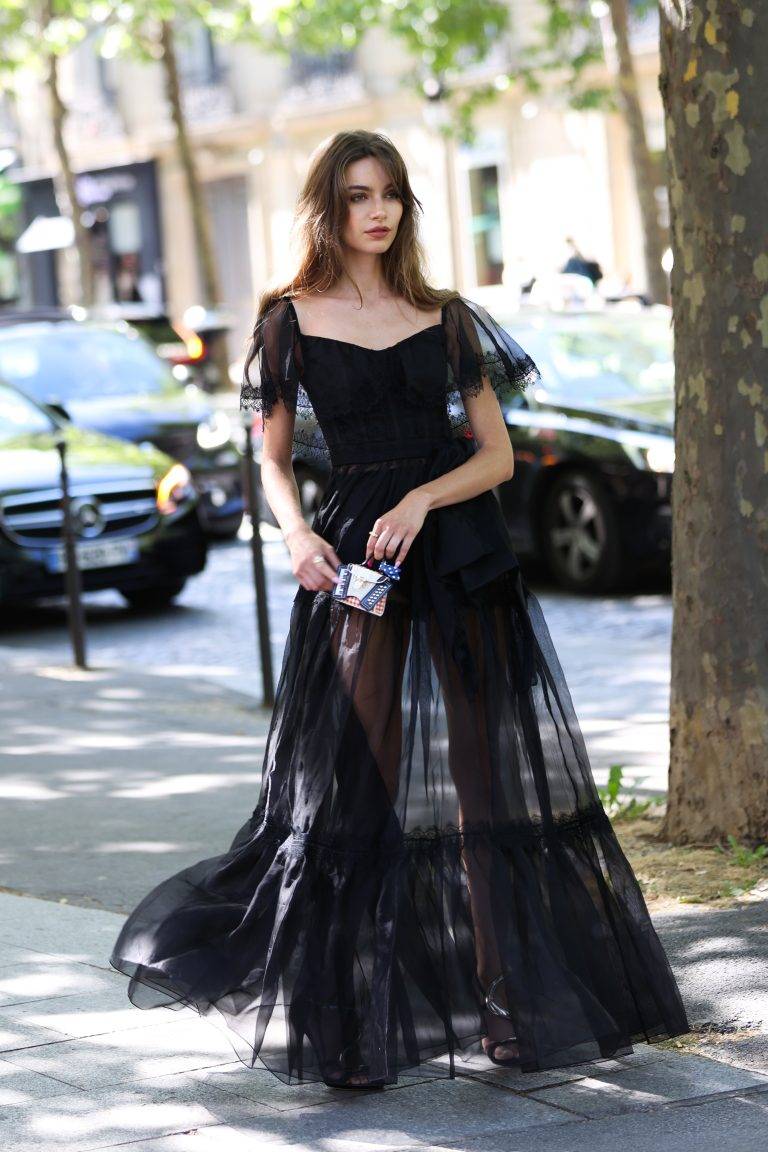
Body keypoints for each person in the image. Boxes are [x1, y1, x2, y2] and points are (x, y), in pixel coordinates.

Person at [109, 129, 689, 1090]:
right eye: (356, 196)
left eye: (390, 195)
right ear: (329, 210)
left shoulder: (447, 318)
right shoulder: (286, 322)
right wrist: (297, 538)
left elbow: (498, 457)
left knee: (486, 789)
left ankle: (510, 1001)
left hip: (459, 555)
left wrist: (423, 498)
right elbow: (272, 459)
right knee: (355, 785)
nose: (376, 211)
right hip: (353, 562)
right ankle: (351, 1016)